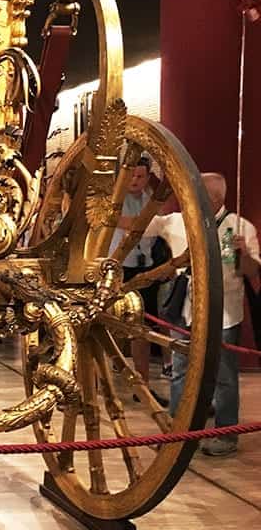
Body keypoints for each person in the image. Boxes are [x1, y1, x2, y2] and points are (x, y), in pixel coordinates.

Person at [142, 172, 259, 456]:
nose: (189, 195)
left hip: (224, 312)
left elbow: (251, 272)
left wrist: (244, 253)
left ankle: (227, 434)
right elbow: (139, 226)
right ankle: (179, 432)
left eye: (197, 191)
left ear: (215, 197)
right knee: (180, 372)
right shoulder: (177, 221)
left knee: (224, 375)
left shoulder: (239, 226)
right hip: (184, 310)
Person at [109, 157, 157, 381]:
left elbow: (155, 224)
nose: (135, 180)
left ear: (148, 178)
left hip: (144, 266)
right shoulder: (115, 199)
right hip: (118, 268)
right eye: (131, 176)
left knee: (142, 327)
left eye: (140, 176)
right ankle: (114, 364)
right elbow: (122, 221)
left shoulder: (149, 199)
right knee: (114, 320)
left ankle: (142, 380)